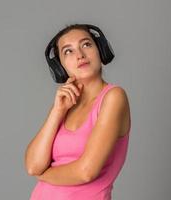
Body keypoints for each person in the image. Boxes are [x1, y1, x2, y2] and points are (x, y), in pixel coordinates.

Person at [25, 23, 131, 200]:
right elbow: (32, 165)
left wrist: (44, 175)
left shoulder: (113, 97)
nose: (80, 55)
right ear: (61, 66)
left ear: (100, 50)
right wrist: (57, 111)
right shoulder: (64, 104)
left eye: (86, 44)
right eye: (68, 51)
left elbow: (86, 171)